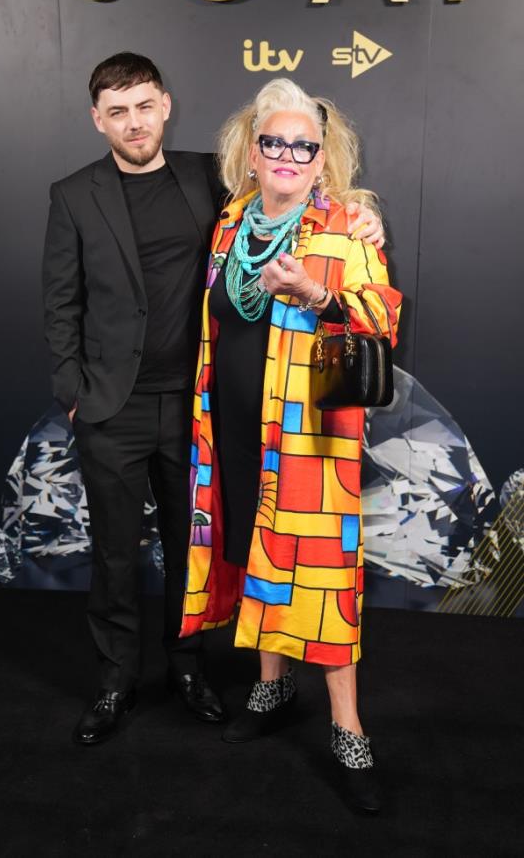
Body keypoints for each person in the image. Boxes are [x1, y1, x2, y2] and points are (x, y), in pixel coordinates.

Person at [42, 53, 385, 747]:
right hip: (139, 408)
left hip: (241, 417)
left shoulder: (222, 183)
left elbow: (346, 267)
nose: (133, 122)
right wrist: (75, 393)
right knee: (124, 553)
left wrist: (359, 220)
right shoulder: (97, 196)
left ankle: (193, 670)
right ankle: (120, 681)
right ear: (97, 119)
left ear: (165, 106)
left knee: (196, 548)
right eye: (117, 110)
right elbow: (60, 302)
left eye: (144, 106)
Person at [180, 78, 401, 812]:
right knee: (251, 552)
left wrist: (317, 293)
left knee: (327, 577)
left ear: (319, 158)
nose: (285, 154)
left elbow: (380, 321)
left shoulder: (345, 225)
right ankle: (271, 685)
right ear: (251, 151)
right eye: (271, 141)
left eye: (301, 145)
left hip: (308, 440)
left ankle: (348, 729)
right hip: (234, 431)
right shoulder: (231, 221)